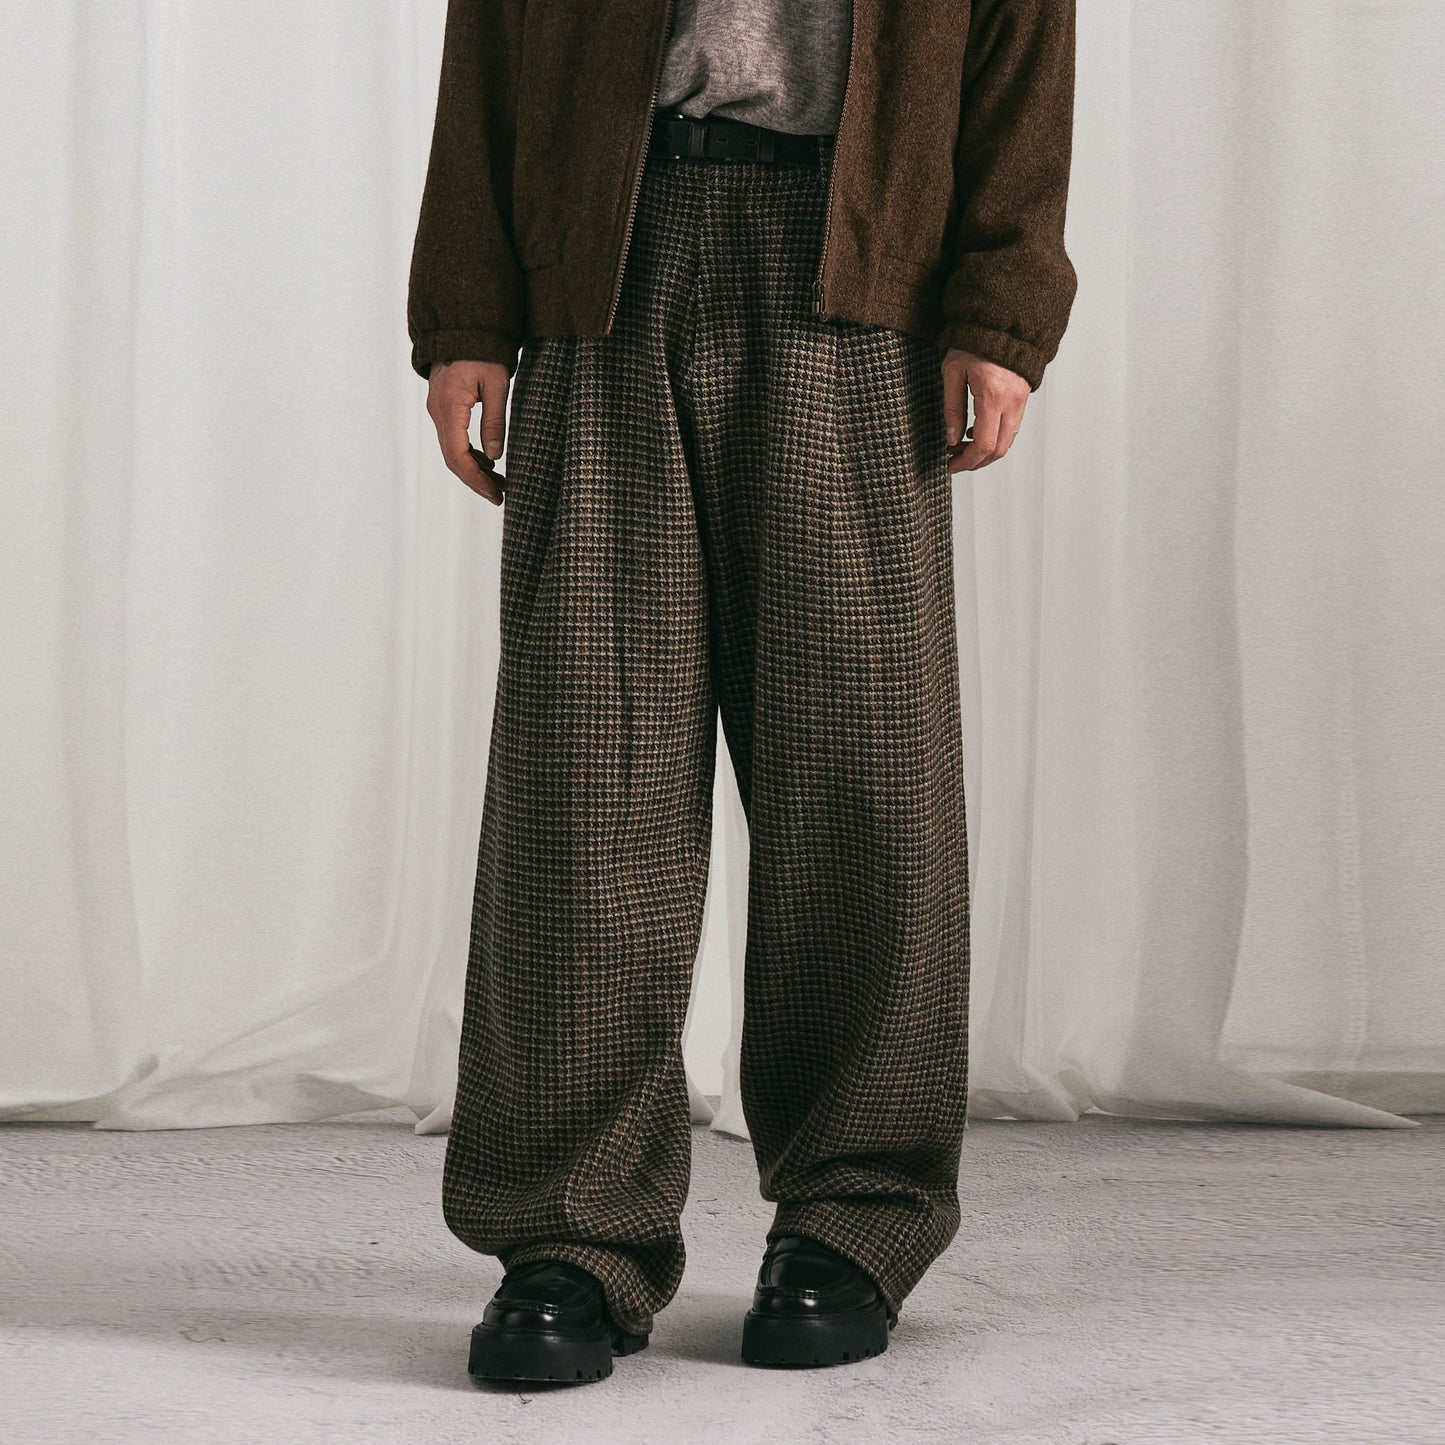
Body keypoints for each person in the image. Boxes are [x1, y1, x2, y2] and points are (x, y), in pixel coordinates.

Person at [406, 0, 1077, 1385]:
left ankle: (852, 1216)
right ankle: (568, 1234)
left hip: (863, 266)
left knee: (861, 773)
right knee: (584, 778)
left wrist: (1003, 303)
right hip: (601, 250)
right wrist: (468, 304)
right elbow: (488, 45)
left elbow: (1021, 49)